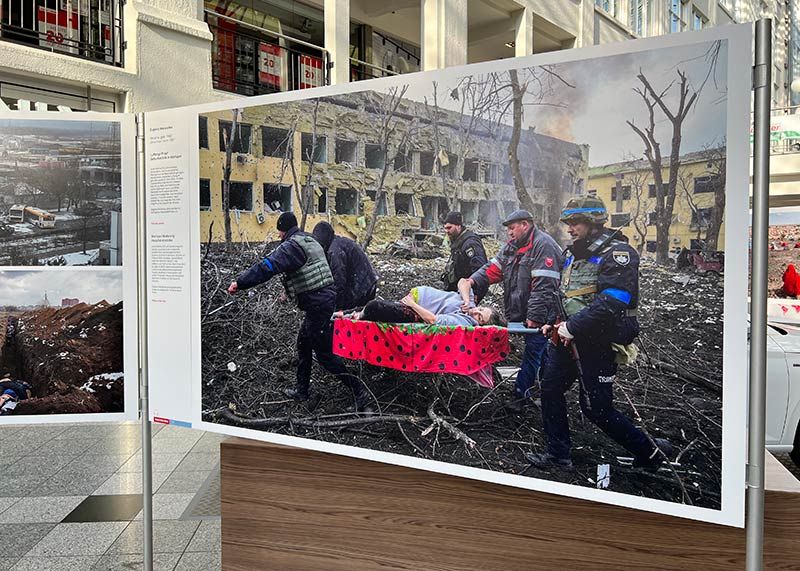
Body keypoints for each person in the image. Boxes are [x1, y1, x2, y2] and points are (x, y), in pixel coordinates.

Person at [527, 195, 672, 470]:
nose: (570, 228)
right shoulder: (573, 253)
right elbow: (565, 294)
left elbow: (614, 300)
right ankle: (558, 455)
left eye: (576, 223)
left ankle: (648, 453)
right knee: (549, 389)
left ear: (593, 222)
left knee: (596, 408)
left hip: (598, 341)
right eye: (569, 223)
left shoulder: (618, 254)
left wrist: (572, 326)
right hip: (567, 338)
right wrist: (552, 320)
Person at [228, 212, 373, 412]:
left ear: (283, 230)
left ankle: (360, 391)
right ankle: (302, 390)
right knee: (303, 344)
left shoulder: (291, 247)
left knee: (324, 355)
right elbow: (306, 270)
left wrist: (240, 282)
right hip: (322, 301)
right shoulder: (308, 240)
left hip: (318, 305)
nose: (279, 235)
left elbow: (267, 267)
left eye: (279, 231)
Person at [463, 209, 562, 412]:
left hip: (543, 314)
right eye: (508, 229)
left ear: (525, 225)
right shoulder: (511, 248)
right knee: (541, 352)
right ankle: (549, 389)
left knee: (533, 352)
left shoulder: (544, 246)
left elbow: (544, 286)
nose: (509, 232)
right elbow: (492, 269)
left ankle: (520, 394)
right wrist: (472, 280)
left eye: (512, 228)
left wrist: (534, 317)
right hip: (522, 312)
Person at [353, 286, 506, 328]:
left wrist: (412, 304)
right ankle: (350, 314)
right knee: (369, 307)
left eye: (480, 317)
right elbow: (463, 282)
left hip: (414, 309)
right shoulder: (470, 305)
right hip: (414, 300)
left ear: (480, 324)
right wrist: (466, 300)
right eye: (480, 309)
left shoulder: (463, 322)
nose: (476, 312)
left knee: (375, 306)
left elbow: (433, 320)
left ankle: (354, 316)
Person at [311, 221, 378, 310]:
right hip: (367, 283)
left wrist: (337, 309)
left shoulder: (335, 251)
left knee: (348, 314)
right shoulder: (338, 243)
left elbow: (339, 281)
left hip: (362, 287)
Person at [441, 211, 488, 300]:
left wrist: (475, 293)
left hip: (467, 290)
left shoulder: (470, 243)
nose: (446, 231)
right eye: (445, 228)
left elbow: (480, 269)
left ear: (458, 226)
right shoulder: (458, 240)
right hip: (457, 289)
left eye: (449, 228)